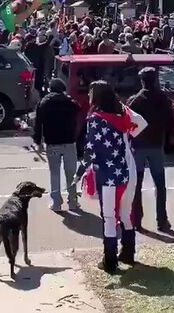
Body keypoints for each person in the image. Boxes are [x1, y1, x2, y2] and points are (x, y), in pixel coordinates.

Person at [74, 81, 145, 273]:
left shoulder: (95, 119)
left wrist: (79, 172)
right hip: (126, 171)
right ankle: (128, 253)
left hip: (107, 175)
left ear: (95, 96)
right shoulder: (122, 114)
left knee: (108, 217)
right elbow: (141, 124)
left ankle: (110, 261)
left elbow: (90, 150)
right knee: (125, 213)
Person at [128, 67, 174, 232]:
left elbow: (129, 123)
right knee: (160, 184)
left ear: (142, 81)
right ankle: (162, 220)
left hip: (139, 146)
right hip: (156, 145)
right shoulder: (163, 99)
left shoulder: (135, 100)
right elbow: (170, 123)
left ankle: (136, 220)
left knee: (137, 184)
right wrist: (168, 142)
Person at [32, 78, 80, 211]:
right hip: (69, 142)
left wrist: (38, 142)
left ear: (50, 88)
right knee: (71, 174)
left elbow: (38, 125)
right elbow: (78, 110)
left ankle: (56, 203)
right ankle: (73, 202)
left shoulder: (44, 103)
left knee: (54, 173)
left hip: (52, 143)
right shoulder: (70, 102)